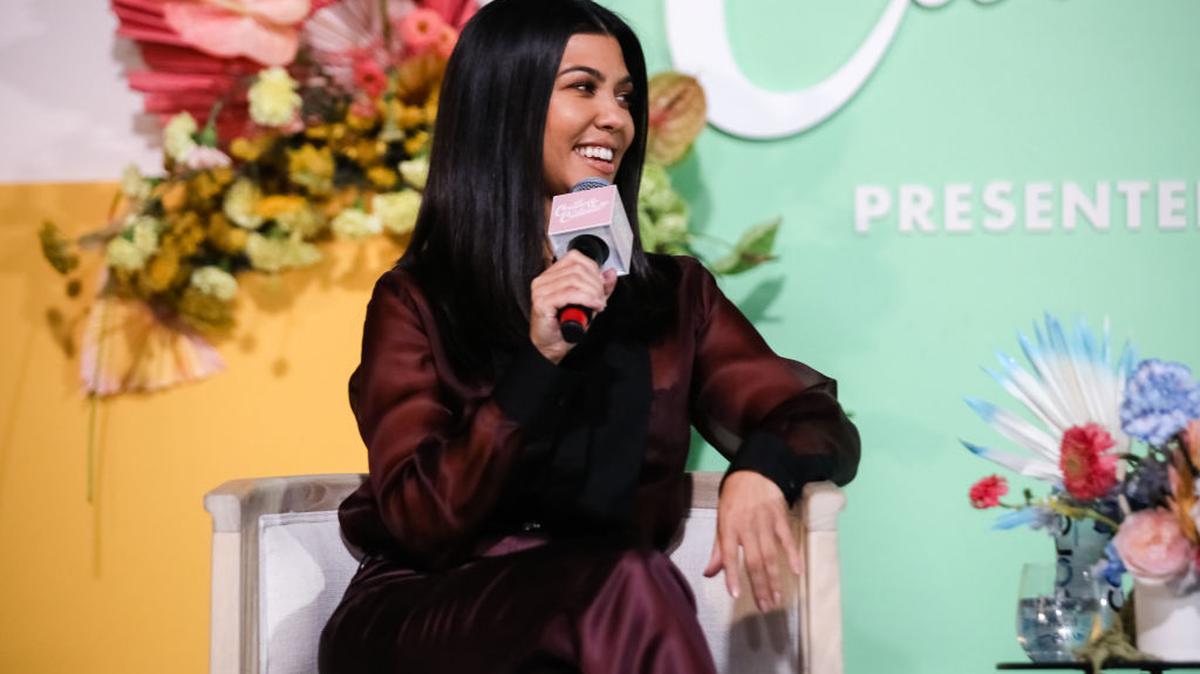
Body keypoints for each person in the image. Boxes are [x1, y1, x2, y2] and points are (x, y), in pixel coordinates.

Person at [318, 1, 860, 672]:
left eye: (625, 96)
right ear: (506, 105)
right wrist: (537, 360)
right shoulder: (419, 299)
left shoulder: (673, 296)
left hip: (606, 601)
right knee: (628, 584)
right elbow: (420, 520)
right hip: (433, 612)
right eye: (584, 87)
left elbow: (814, 418)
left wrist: (758, 470)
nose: (616, 118)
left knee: (627, 581)